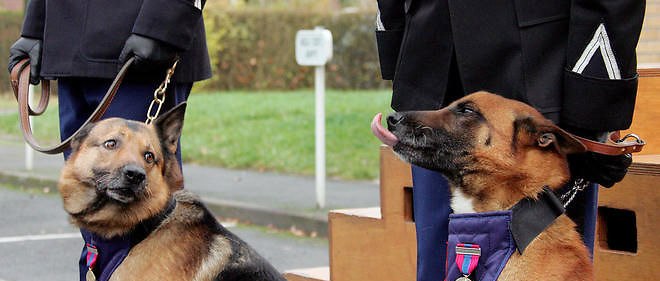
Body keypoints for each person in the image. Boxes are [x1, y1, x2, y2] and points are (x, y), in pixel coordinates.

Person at [375, 0, 645, 280]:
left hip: (538, 82)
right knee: (438, 269)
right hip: (434, 66)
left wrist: (594, 103)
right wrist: (398, 42)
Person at [7, 0, 212, 280]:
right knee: (94, 221)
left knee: (146, 226)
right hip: (67, 46)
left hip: (139, 46)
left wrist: (163, 23)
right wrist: (35, 27)